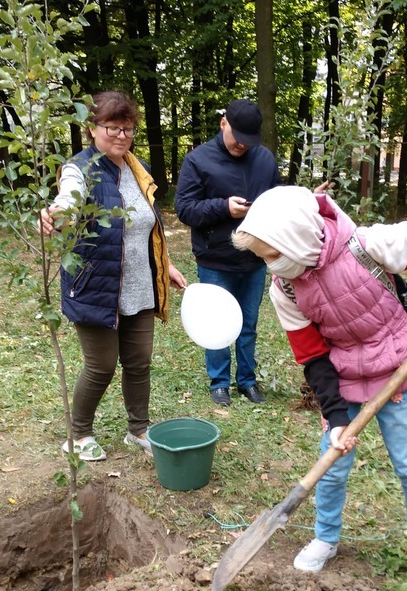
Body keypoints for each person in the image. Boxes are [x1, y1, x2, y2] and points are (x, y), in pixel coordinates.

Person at [232, 186, 407, 591]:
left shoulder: (366, 245)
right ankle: (326, 538)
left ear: (297, 241)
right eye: (263, 259)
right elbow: (310, 355)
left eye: (272, 255)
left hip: (397, 366)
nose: (269, 267)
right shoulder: (284, 287)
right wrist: (337, 416)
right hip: (343, 377)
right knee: (333, 467)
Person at [38, 91, 187, 461]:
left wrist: (163, 264)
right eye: (113, 128)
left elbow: (144, 226)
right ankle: (78, 434)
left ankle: (138, 430)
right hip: (95, 285)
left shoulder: (138, 170)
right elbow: (69, 200)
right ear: (92, 128)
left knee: (139, 362)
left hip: (139, 285)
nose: (121, 136)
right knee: (101, 366)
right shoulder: (80, 168)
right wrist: (58, 214)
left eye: (128, 129)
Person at [174, 99, 282, 407]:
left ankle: (247, 381)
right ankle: (219, 382)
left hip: (254, 258)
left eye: (250, 141)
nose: (243, 146)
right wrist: (223, 207)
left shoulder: (264, 159)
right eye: (238, 139)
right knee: (217, 324)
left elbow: (276, 199)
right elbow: (184, 209)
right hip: (215, 260)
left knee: (248, 324)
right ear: (224, 124)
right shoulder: (198, 160)